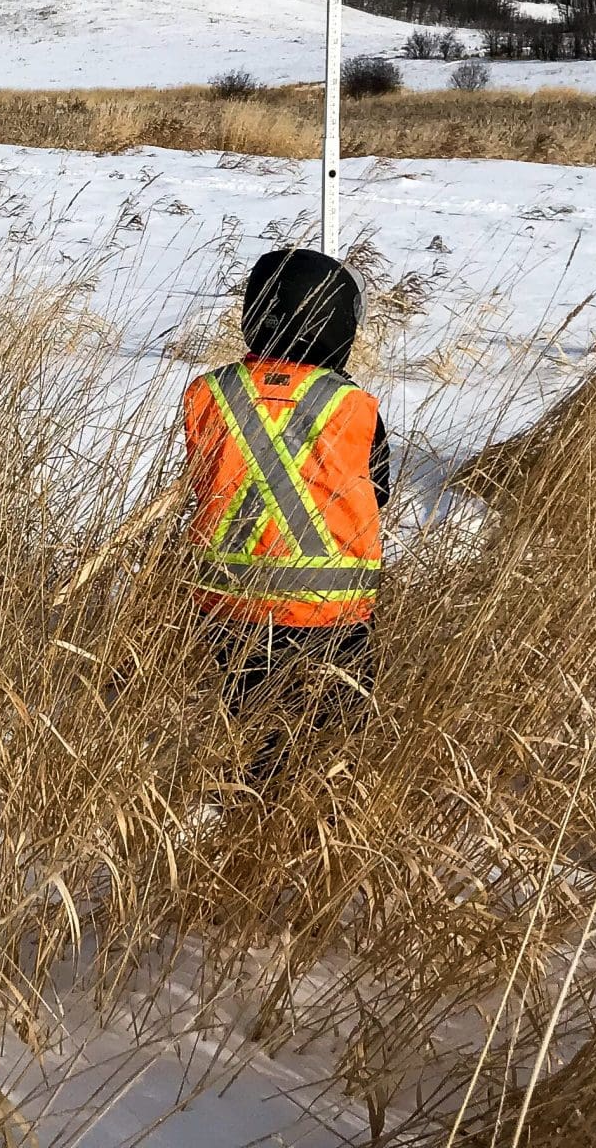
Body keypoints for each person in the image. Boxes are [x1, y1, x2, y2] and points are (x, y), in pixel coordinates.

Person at [180, 246, 390, 787]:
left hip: (225, 613)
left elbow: (202, 479)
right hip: (329, 620)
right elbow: (379, 491)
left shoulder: (208, 392)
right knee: (327, 754)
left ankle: (236, 820)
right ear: (336, 321)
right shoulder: (352, 405)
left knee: (244, 742)